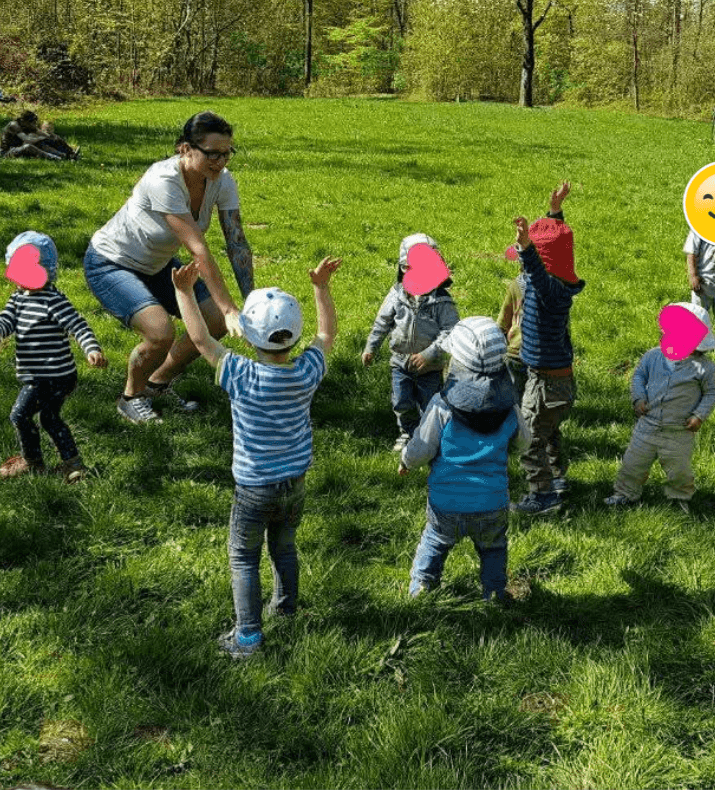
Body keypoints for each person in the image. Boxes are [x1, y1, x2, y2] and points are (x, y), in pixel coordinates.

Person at [172, 255, 341, 658]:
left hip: (253, 489)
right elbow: (326, 335)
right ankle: (286, 610)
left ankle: (247, 638)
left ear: (247, 337)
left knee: (244, 558)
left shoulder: (241, 374)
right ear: (294, 336)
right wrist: (321, 287)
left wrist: (184, 294)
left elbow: (199, 340)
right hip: (294, 484)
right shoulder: (306, 373)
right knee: (284, 547)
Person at [83, 111, 255, 425]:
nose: (220, 161)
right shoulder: (162, 180)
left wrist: (252, 300)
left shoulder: (222, 181)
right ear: (185, 149)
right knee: (160, 332)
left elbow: (237, 241)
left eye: (226, 153)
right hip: (111, 262)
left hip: (157, 264)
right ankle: (130, 397)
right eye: (212, 154)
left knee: (214, 322)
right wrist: (230, 306)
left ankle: (156, 384)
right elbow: (198, 248)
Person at [398, 317, 521, 601]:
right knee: (493, 548)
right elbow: (524, 440)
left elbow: (422, 447)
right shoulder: (509, 409)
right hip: (492, 502)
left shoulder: (443, 407)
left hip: (446, 503)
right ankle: (494, 592)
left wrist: (406, 460)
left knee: (435, 541)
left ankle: (422, 591)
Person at [0, 231, 107, 483]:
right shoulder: (19, 298)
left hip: (54, 376)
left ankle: (32, 461)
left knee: (19, 414)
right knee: (49, 418)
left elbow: (78, 326)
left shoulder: (53, 300)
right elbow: (6, 317)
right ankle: (73, 464)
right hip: (39, 374)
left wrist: (92, 349)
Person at [508, 181, 586, 516]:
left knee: (529, 439)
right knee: (549, 431)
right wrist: (554, 211)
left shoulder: (547, 290)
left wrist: (526, 246)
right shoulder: (561, 286)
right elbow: (554, 249)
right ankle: (557, 478)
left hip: (544, 383)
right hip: (559, 381)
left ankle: (541, 497)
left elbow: (538, 273)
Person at [605, 302, 715, 512]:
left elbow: (712, 393)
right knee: (632, 464)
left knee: (679, 470)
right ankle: (625, 493)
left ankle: (679, 496)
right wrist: (638, 398)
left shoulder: (705, 368)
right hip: (647, 426)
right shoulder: (653, 356)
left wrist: (699, 415)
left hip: (678, 430)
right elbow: (639, 375)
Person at [362, 234, 459, 451]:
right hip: (400, 361)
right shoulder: (396, 295)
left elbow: (451, 330)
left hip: (430, 365)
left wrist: (430, 354)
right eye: (407, 268)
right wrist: (371, 347)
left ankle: (431, 437)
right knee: (401, 401)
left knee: (431, 403)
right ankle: (407, 432)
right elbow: (382, 322)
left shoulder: (441, 300)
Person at [496, 269, 528, 401]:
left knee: (513, 397)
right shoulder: (555, 287)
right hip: (542, 353)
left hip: (517, 349)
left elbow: (504, 320)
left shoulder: (517, 284)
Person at [0, 111, 79, 161]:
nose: (34, 125)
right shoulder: (14, 125)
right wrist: (41, 137)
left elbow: (44, 134)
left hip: (19, 147)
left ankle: (70, 153)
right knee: (29, 146)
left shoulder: (28, 125)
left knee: (43, 141)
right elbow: (28, 140)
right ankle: (57, 158)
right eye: (33, 123)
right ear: (25, 121)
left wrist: (52, 136)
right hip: (7, 151)